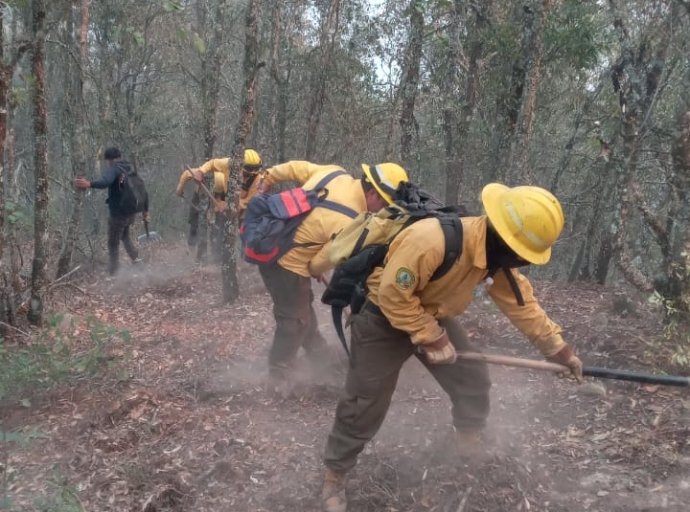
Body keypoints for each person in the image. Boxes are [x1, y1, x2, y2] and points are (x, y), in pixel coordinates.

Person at [320, 183, 583, 512]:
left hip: (430, 312)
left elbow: (524, 308)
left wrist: (560, 352)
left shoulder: (495, 259)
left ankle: (466, 445)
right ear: (504, 239)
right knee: (364, 402)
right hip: (382, 317)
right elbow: (392, 295)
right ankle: (335, 475)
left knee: (472, 380)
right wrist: (431, 336)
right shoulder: (431, 240)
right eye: (520, 254)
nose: (520, 261)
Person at [257, 161, 409, 390]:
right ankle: (278, 373)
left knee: (301, 309)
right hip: (286, 266)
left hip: (272, 245)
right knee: (294, 320)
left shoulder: (334, 172)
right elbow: (319, 262)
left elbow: (295, 168)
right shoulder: (351, 222)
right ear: (372, 193)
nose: (382, 210)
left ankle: (320, 355)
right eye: (384, 204)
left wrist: (268, 178)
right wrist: (316, 270)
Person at [176, 149, 265, 262]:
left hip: (241, 207)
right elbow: (199, 169)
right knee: (213, 229)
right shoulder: (225, 166)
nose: (247, 177)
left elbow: (248, 201)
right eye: (245, 173)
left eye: (250, 175)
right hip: (220, 202)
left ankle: (246, 261)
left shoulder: (258, 181)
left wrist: (228, 206)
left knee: (245, 232)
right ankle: (212, 258)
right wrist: (199, 173)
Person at [75, 147, 149, 277]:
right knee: (125, 237)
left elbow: (105, 182)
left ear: (109, 160)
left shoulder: (114, 168)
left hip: (118, 214)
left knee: (112, 243)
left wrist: (89, 183)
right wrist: (145, 211)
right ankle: (138, 262)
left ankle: (114, 273)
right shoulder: (130, 167)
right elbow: (143, 190)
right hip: (131, 212)